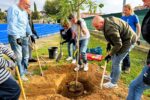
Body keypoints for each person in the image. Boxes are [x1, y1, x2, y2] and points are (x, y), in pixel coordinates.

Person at [92, 16, 137, 88]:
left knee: (117, 61)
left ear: (101, 22)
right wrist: (109, 43)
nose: (96, 29)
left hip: (128, 41)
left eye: (97, 26)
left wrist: (109, 55)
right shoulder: (106, 21)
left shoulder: (110, 28)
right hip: (122, 40)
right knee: (114, 58)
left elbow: (118, 44)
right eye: (95, 27)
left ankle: (113, 83)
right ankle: (111, 76)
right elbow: (115, 35)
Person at [127, 0, 150, 99]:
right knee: (136, 86)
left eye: (145, 0)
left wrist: (137, 37)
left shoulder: (134, 17)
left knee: (136, 87)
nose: (144, 4)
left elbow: (139, 27)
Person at [7, 0, 34, 81]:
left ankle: (24, 70)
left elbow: (26, 24)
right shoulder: (13, 8)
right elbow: (12, 24)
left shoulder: (24, 11)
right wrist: (17, 37)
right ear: (21, 2)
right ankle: (20, 75)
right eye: (27, 5)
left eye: (29, 6)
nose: (28, 7)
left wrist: (30, 34)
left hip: (24, 36)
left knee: (26, 56)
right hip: (15, 36)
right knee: (19, 56)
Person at [121, 4, 141, 73]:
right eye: (124, 10)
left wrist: (138, 36)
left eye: (126, 10)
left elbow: (138, 27)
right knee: (124, 51)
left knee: (126, 51)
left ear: (130, 10)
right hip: (123, 37)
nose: (124, 11)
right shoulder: (122, 18)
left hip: (131, 37)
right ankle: (124, 67)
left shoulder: (134, 17)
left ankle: (127, 67)